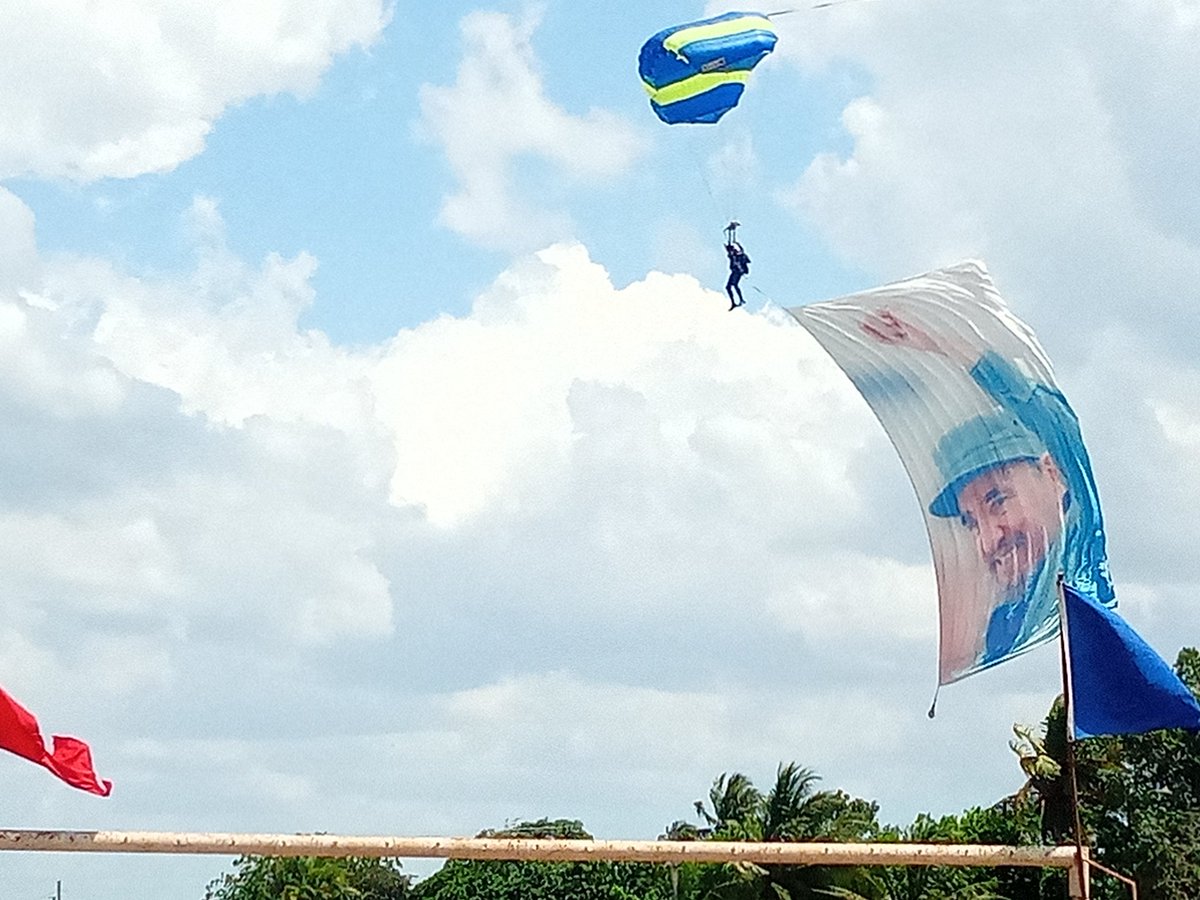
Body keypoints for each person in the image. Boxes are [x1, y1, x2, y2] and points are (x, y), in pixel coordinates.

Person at [860, 308, 1114, 667]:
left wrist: (938, 341)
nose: (989, 538)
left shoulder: (1080, 563)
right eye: (972, 522)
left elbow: (1049, 417)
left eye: (998, 502)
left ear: (1053, 474)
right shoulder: (1002, 632)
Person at [725, 241, 750, 310]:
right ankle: (734, 302)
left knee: (734, 285)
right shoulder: (732, 256)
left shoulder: (739, 256)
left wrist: (737, 243)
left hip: (737, 272)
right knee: (729, 287)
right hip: (735, 272)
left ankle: (741, 299)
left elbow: (742, 251)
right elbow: (730, 254)